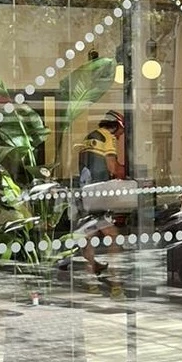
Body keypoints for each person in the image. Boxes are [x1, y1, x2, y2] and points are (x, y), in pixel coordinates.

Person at [69, 111, 128, 297]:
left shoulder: (88, 137)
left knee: (89, 235)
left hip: (85, 194)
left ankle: (91, 283)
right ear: (116, 126)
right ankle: (115, 283)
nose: (120, 136)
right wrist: (127, 171)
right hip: (99, 194)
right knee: (113, 236)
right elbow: (112, 167)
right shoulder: (107, 137)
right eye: (121, 132)